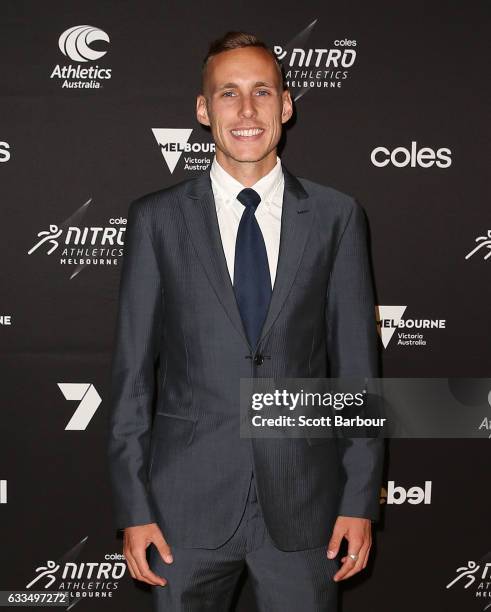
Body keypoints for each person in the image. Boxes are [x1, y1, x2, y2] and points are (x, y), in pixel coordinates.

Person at [107, 30, 384, 612]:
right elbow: (132, 375)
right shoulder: (156, 220)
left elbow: (359, 373)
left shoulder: (336, 216)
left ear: (286, 105)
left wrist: (359, 498)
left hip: (306, 509)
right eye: (228, 94)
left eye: (262, 92)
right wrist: (134, 508)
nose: (248, 110)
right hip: (184, 509)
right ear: (204, 111)